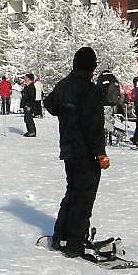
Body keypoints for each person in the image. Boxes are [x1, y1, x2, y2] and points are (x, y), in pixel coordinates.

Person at [45, 46, 110, 258]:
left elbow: (50, 104)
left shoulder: (63, 85)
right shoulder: (89, 90)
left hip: (68, 148)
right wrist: (100, 153)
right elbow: (94, 126)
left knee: (72, 192)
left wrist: (67, 112)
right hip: (86, 152)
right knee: (83, 197)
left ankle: (60, 236)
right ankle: (73, 242)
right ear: (92, 67)